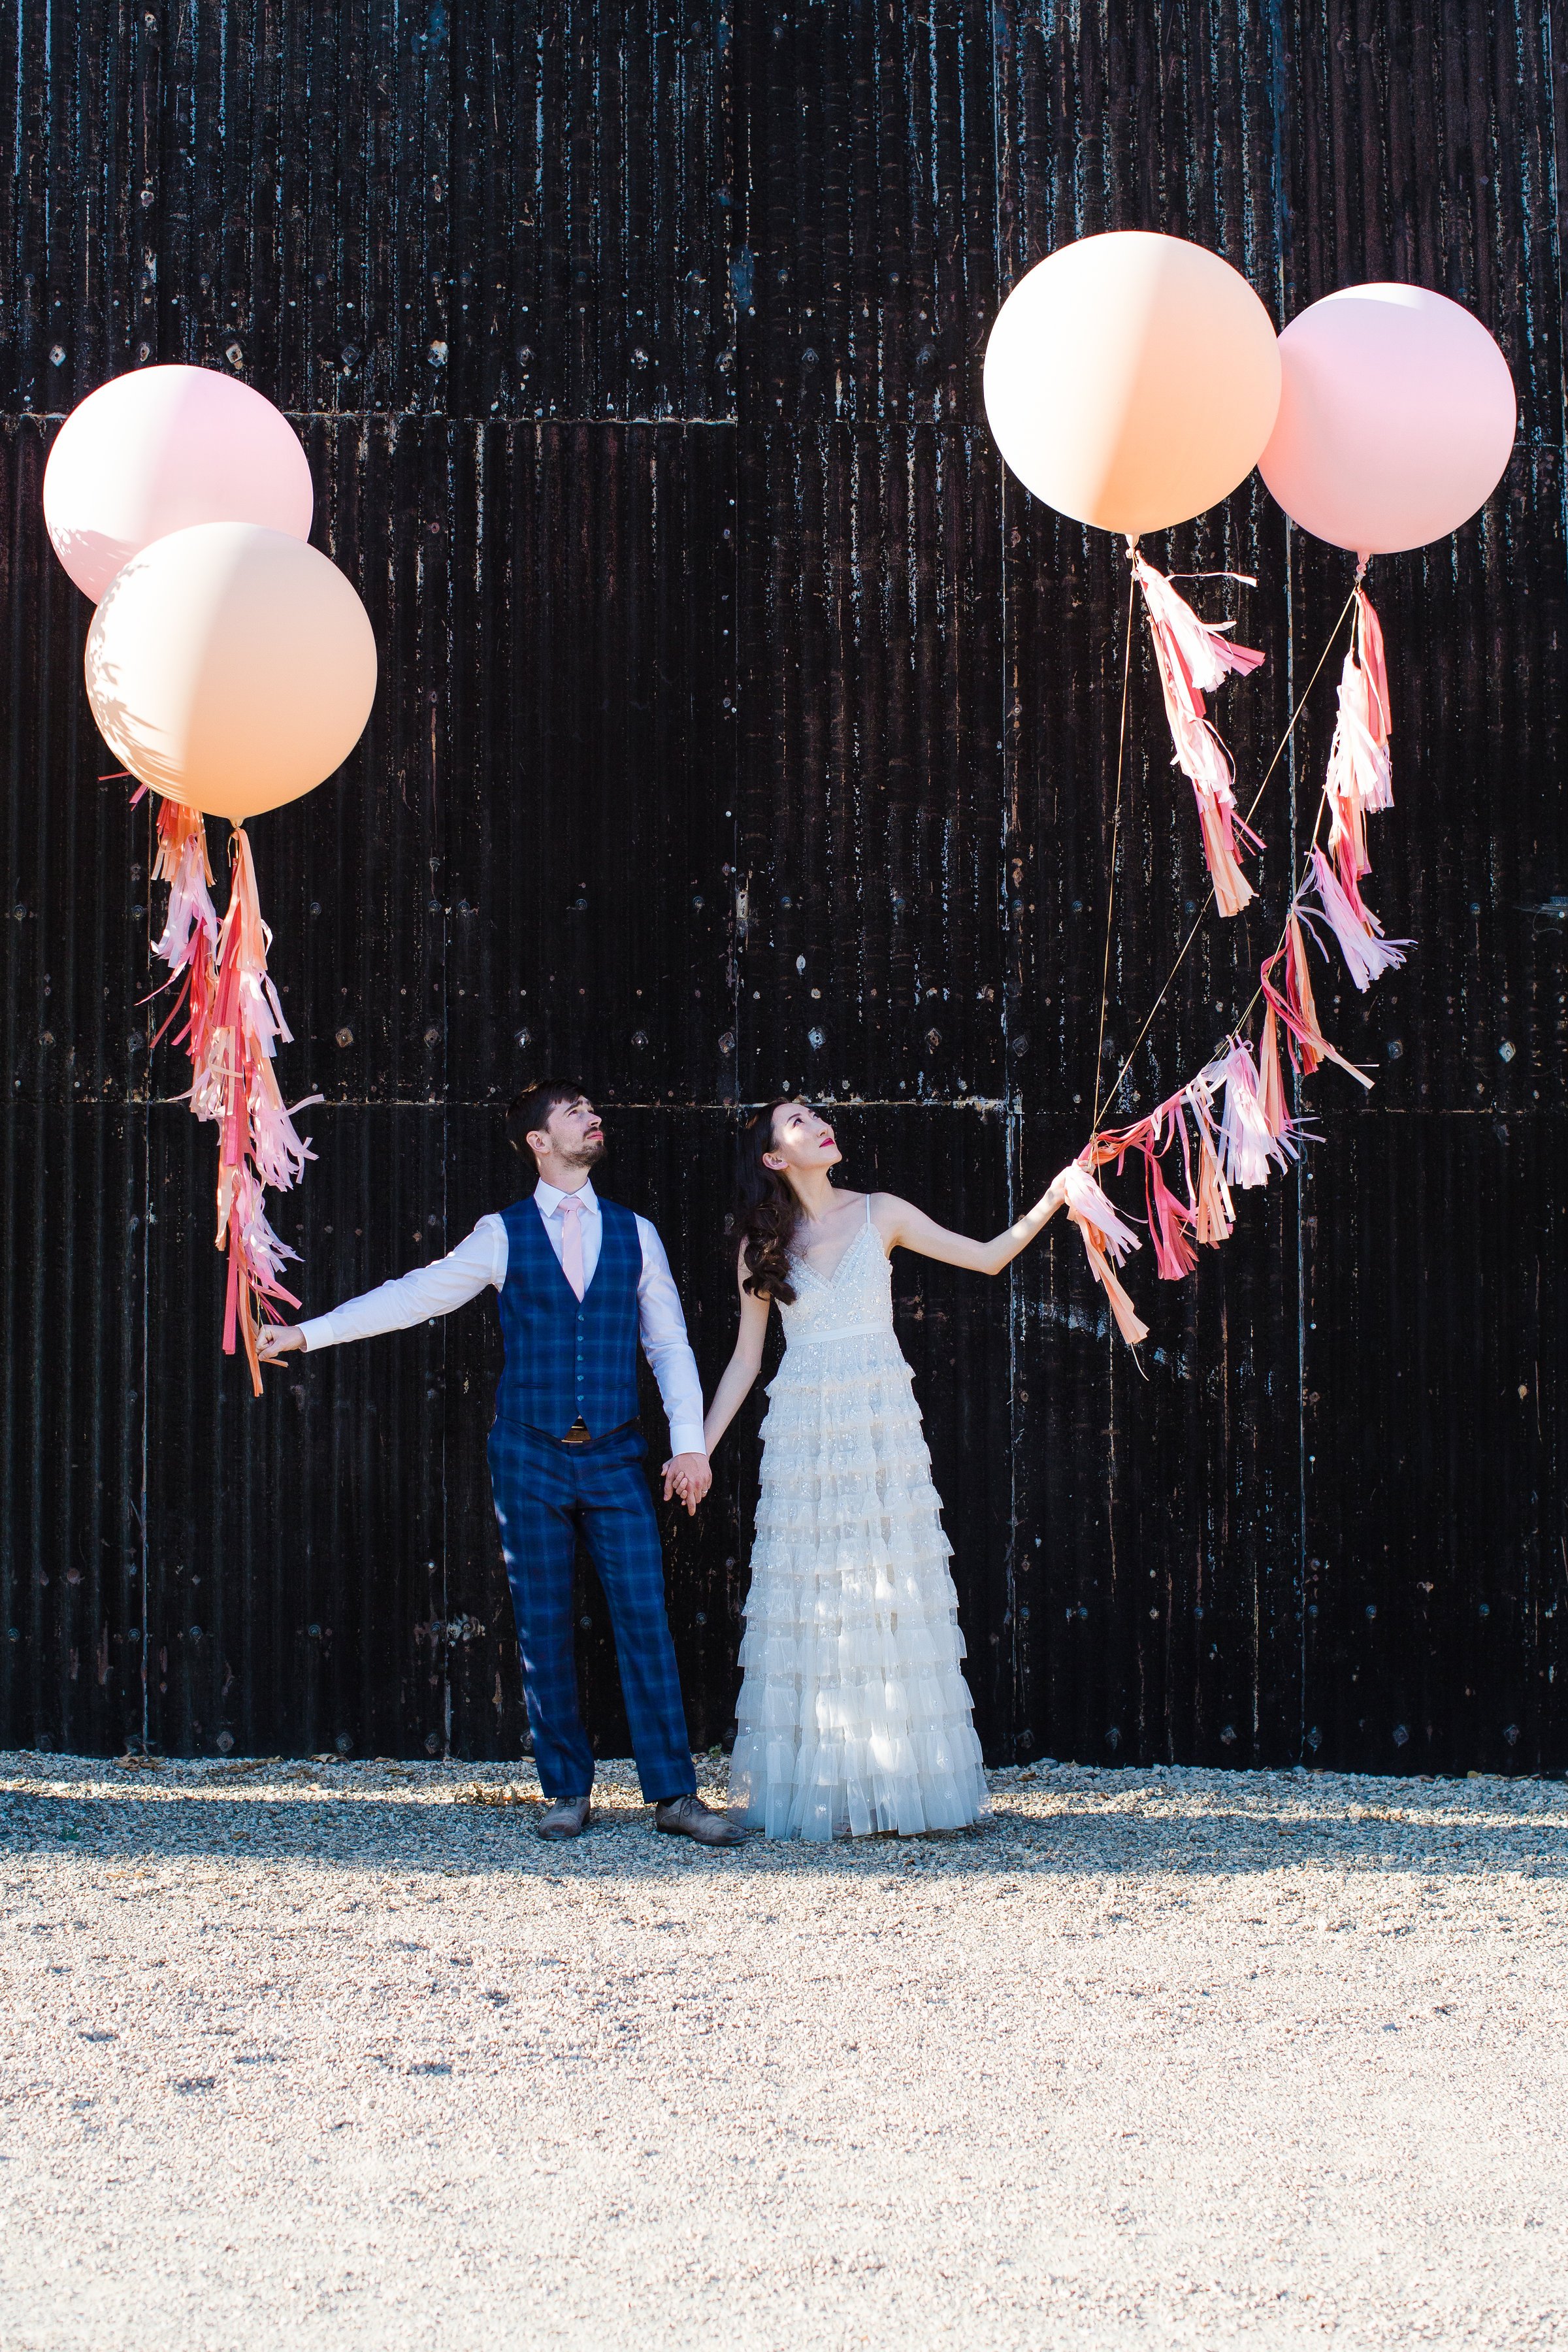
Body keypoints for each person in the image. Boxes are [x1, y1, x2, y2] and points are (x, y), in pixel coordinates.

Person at [257, 1081, 743, 1848]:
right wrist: (306, 1336)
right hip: (528, 1456)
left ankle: (675, 1797)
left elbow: (669, 1343)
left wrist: (689, 1442)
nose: (593, 1116)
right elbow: (415, 1296)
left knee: (645, 1620)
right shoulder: (503, 1233)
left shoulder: (636, 1232)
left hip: (617, 1454)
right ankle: (566, 1792)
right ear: (538, 1141)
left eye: (593, 1107)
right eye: (574, 1110)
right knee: (543, 1624)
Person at [702, 1100, 1068, 1841]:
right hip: (807, 1428)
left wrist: (1057, 1195)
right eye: (798, 1121)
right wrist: (698, 1449)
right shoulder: (761, 1244)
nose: (818, 1123)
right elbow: (746, 1361)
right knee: (815, 1599)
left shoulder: (882, 1212)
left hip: (878, 1426)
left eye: (814, 1114)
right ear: (775, 1158)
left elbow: (991, 1255)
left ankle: (898, 1785)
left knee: (890, 1588)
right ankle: (827, 1790)